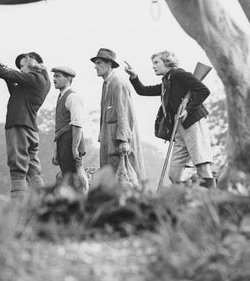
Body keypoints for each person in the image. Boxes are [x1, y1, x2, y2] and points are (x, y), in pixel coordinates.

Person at [125, 50, 216, 188]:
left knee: (202, 167)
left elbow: (203, 90)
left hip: (192, 123)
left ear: (167, 62)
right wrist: (134, 76)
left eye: (156, 62)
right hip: (178, 129)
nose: (153, 66)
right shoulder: (167, 81)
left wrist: (187, 109)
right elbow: (142, 91)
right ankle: (194, 197)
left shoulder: (178, 74)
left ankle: (212, 201)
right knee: (174, 175)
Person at [0, 50, 50, 199]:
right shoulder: (41, 79)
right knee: (33, 170)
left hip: (19, 126)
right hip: (30, 129)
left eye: (23, 66)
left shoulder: (34, 77)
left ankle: (18, 207)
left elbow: (10, 74)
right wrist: (1, 69)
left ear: (31, 63)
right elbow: (16, 92)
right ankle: (44, 203)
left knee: (17, 170)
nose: (21, 69)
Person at [91, 48, 145, 187]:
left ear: (109, 64)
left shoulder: (118, 83)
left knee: (125, 181)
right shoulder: (106, 84)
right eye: (95, 63)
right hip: (108, 140)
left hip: (118, 143)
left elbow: (124, 113)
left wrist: (124, 141)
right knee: (111, 180)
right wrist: (101, 133)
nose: (95, 67)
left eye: (98, 63)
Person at [50, 66, 87, 193]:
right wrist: (57, 150)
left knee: (74, 179)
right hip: (63, 142)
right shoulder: (61, 97)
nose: (54, 79)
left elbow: (77, 124)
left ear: (68, 79)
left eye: (58, 76)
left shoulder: (72, 97)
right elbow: (60, 128)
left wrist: (74, 148)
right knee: (67, 178)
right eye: (54, 76)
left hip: (70, 141)